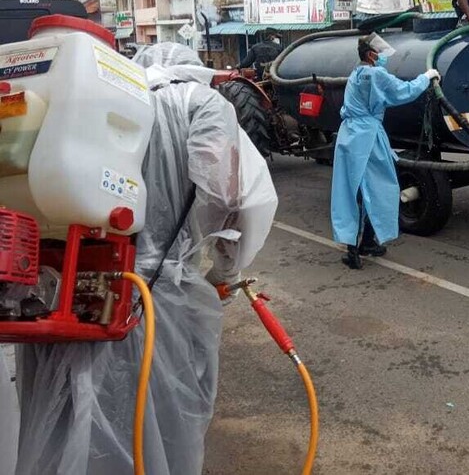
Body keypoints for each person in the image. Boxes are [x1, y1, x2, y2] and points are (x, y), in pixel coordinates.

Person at [11, 42, 277, 475]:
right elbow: (225, 198)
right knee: (158, 422)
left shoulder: (96, 99)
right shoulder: (202, 103)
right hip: (156, 299)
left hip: (63, 294)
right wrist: (224, 271)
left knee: (68, 419)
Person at [331, 33, 439, 269]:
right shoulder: (375, 74)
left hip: (348, 136)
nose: (384, 60)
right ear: (371, 55)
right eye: (381, 56)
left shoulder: (356, 74)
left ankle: (358, 246)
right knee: (379, 189)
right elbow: (403, 91)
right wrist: (426, 77)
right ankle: (363, 244)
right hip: (368, 137)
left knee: (350, 190)